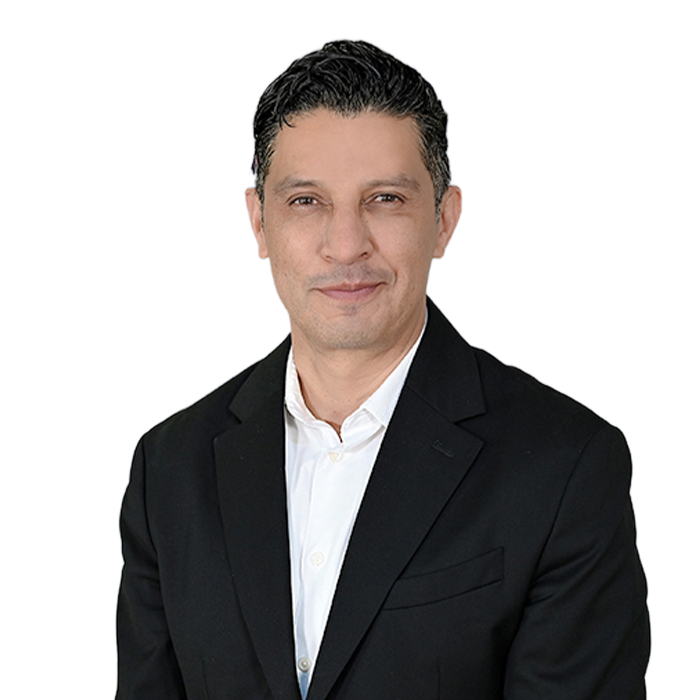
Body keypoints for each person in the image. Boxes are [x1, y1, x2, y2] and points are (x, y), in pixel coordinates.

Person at [115, 40, 651, 699]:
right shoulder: (169, 469)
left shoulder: (566, 467)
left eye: (386, 199)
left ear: (443, 220)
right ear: (259, 223)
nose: (346, 246)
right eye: (306, 201)